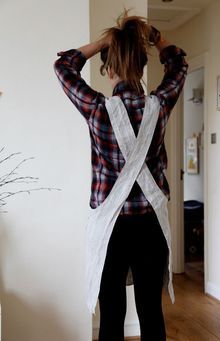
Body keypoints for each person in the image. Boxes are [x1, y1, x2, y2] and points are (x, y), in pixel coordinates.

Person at [54, 10, 188, 341]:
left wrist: (103, 41)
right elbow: (179, 65)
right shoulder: (159, 105)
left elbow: (63, 67)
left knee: (112, 316)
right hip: (150, 227)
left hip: (111, 228)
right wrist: (157, 38)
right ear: (143, 67)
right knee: (151, 315)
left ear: (108, 67)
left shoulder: (97, 109)